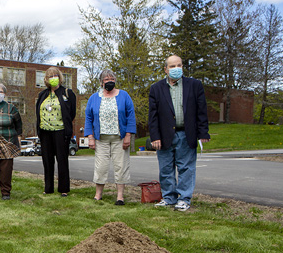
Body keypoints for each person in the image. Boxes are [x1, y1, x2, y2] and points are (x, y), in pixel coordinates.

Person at [148, 54, 211, 211]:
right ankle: (169, 197)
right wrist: (155, 137)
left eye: (179, 65)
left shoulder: (194, 85)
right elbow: (153, 116)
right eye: (172, 66)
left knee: (186, 168)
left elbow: (201, 111)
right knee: (166, 168)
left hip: (186, 134)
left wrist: (203, 132)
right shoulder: (156, 89)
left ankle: (184, 198)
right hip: (164, 136)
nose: (176, 69)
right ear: (165, 69)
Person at [84, 69, 136, 205]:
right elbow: (88, 118)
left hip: (120, 138)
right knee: (101, 167)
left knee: (121, 166)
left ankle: (120, 197)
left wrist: (128, 135)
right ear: (101, 82)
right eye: (106, 79)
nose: (109, 81)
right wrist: (90, 137)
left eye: (112, 79)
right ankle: (98, 195)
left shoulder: (124, 96)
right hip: (101, 139)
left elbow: (131, 116)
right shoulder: (94, 98)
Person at [35, 67, 76, 196]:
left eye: (55, 75)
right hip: (45, 132)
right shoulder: (42, 94)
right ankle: (48, 188)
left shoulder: (67, 93)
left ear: (59, 77)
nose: (53, 78)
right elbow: (38, 112)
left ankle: (63, 189)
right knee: (47, 161)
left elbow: (71, 113)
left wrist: (66, 129)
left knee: (62, 160)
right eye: (50, 76)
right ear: (46, 79)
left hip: (61, 131)